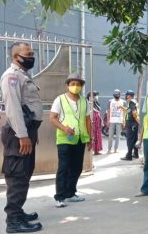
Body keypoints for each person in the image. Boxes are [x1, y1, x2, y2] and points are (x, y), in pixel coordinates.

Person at [0, 42, 43, 233]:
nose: (32, 57)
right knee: (17, 175)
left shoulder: (24, 75)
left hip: (27, 132)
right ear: (16, 56)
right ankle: (13, 222)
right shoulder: (12, 76)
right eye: (28, 54)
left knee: (25, 173)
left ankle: (18, 211)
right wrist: (23, 135)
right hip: (19, 134)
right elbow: (13, 108)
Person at [49, 73, 91, 208]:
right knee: (64, 167)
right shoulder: (59, 100)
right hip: (64, 139)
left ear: (82, 86)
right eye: (72, 84)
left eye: (78, 84)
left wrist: (90, 137)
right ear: (67, 85)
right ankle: (59, 196)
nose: (75, 86)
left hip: (80, 138)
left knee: (77, 167)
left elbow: (87, 119)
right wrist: (64, 128)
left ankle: (70, 193)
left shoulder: (84, 101)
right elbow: (52, 118)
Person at [121, 90, 140, 160]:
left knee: (130, 140)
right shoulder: (134, 102)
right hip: (134, 124)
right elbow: (129, 111)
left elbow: (134, 112)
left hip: (132, 123)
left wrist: (136, 120)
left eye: (126, 95)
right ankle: (135, 153)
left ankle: (129, 156)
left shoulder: (131, 102)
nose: (125, 97)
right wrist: (122, 108)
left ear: (128, 96)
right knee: (134, 139)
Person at [107, 89, 125, 154]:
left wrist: (124, 121)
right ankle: (109, 149)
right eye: (115, 94)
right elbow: (108, 111)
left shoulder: (123, 102)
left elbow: (124, 112)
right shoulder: (110, 101)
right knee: (110, 136)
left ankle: (115, 149)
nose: (116, 96)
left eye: (117, 94)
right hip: (112, 120)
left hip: (119, 121)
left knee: (118, 136)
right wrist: (108, 120)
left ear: (120, 94)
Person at [87, 91, 103, 155]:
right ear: (90, 97)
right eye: (95, 96)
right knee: (92, 136)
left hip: (97, 124)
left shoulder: (96, 104)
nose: (96, 97)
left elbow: (99, 112)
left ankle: (97, 150)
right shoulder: (88, 104)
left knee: (97, 136)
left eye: (96, 96)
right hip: (92, 123)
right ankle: (91, 151)